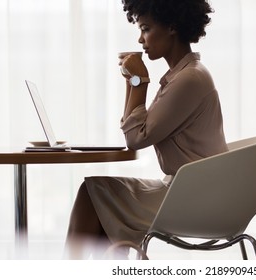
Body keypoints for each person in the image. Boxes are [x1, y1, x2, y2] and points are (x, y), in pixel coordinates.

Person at [64, 0, 227, 259]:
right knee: (98, 196)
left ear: (172, 26)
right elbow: (135, 129)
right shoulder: (181, 75)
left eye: (146, 29)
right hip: (189, 188)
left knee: (94, 195)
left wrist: (139, 82)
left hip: (195, 197)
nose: (140, 39)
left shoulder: (189, 79)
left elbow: (136, 138)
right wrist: (133, 80)